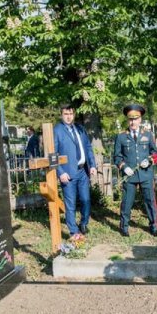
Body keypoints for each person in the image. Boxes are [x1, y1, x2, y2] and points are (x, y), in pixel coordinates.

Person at [113, 103, 157, 237]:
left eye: (136, 118)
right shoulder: (121, 136)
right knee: (127, 201)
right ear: (127, 120)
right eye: (130, 119)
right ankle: (124, 226)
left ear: (140, 119)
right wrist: (124, 167)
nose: (133, 122)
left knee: (150, 200)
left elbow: (156, 153)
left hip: (146, 174)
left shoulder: (148, 135)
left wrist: (150, 160)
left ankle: (153, 226)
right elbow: (117, 157)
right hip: (129, 175)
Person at [54, 103, 97, 240]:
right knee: (70, 203)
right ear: (61, 114)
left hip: (83, 171)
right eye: (66, 114)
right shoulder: (57, 130)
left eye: (71, 114)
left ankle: (83, 223)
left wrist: (92, 165)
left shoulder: (80, 128)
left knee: (86, 200)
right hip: (68, 174)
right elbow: (52, 154)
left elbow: (88, 147)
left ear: (74, 114)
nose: (68, 117)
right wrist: (60, 172)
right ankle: (73, 231)